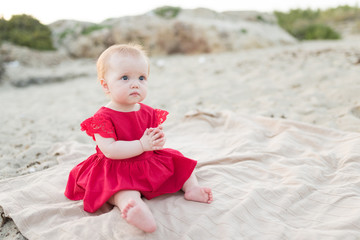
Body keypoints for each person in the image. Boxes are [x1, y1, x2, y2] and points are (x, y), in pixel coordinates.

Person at [64, 43, 213, 233]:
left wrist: (156, 140)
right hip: (117, 167)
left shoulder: (149, 112)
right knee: (122, 189)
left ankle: (192, 188)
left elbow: (152, 138)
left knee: (179, 162)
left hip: (146, 161)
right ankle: (134, 207)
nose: (135, 83)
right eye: (124, 77)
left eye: (142, 78)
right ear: (105, 85)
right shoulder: (102, 118)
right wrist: (142, 145)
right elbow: (110, 150)